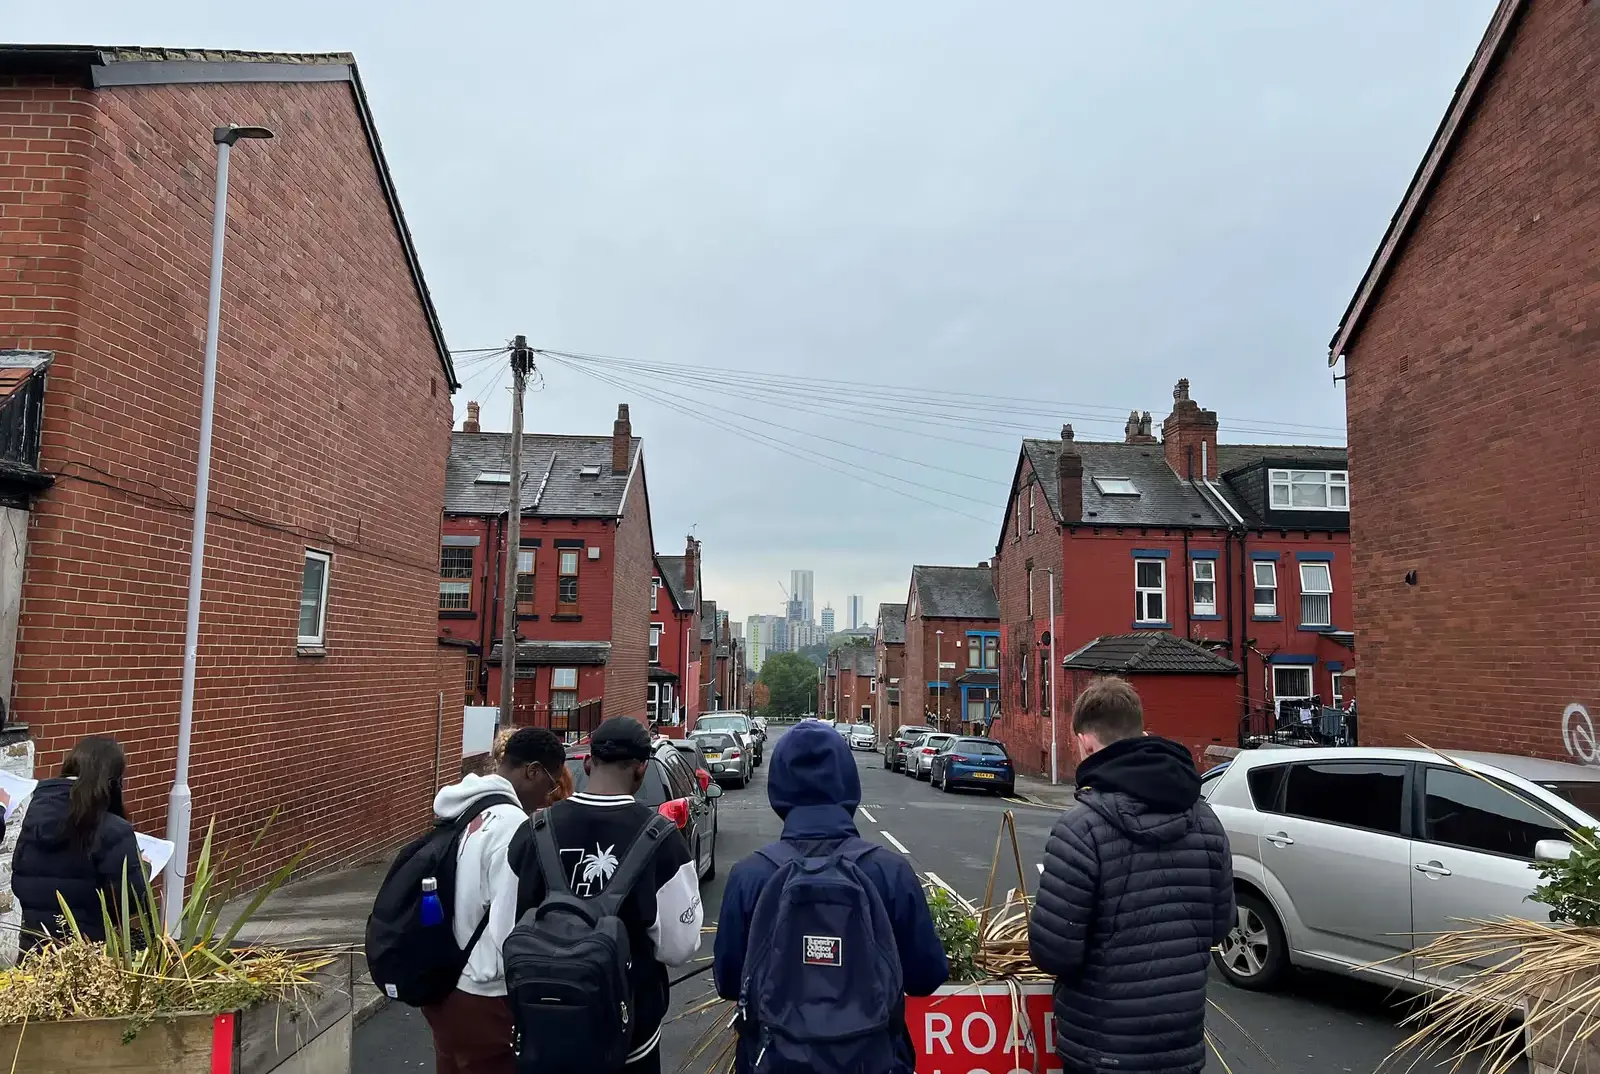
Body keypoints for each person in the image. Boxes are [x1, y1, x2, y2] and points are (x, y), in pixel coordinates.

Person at [713, 720, 948, 1074]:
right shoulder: (890, 873)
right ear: (848, 782)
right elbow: (926, 977)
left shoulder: (751, 876)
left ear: (779, 786)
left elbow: (729, 983)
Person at [1030, 676, 1234, 1074]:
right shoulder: (1206, 821)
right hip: (1181, 1046)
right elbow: (1220, 926)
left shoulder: (1081, 829)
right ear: (1141, 731)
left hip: (1102, 1050)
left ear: (1087, 741)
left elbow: (1054, 952)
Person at [508, 716, 702, 1074]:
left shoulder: (532, 830)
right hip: (630, 1032)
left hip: (543, 1026)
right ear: (642, 771)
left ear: (586, 762)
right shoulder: (663, 840)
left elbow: (505, 929)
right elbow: (680, 946)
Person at [423, 726, 566, 1074]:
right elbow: (508, 931)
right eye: (550, 784)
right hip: (486, 996)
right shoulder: (513, 826)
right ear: (531, 771)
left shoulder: (466, 808)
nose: (549, 796)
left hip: (444, 985)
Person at [12, 736, 146, 952]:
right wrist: (143, 867)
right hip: (87, 960)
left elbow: (18, 880)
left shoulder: (34, 817)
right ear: (114, 780)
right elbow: (130, 901)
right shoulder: (113, 830)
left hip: (35, 952)